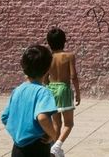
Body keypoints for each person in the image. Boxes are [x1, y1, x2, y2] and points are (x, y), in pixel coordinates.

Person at [1, 44, 58, 157]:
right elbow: (42, 117)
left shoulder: (17, 90)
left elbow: (5, 117)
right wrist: (53, 135)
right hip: (37, 147)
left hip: (17, 148)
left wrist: (18, 133)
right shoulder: (43, 92)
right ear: (47, 69)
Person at [45, 27, 81, 157]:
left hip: (51, 89)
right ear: (64, 41)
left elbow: (44, 79)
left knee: (56, 123)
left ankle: (54, 149)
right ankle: (57, 146)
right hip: (64, 89)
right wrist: (78, 92)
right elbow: (73, 76)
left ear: (48, 42)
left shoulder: (48, 57)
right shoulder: (69, 56)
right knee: (69, 124)